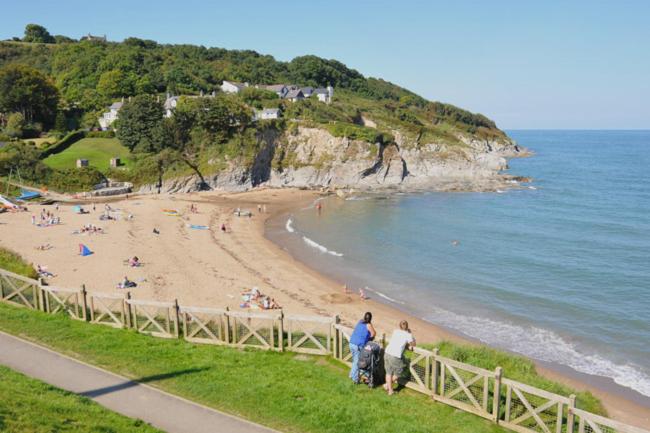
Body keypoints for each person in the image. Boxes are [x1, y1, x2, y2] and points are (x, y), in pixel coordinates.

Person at [383, 320, 416, 395]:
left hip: (387, 352)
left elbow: (399, 341)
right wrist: (410, 334)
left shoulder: (395, 331)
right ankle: (387, 386)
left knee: (388, 372)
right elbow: (413, 344)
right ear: (407, 327)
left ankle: (390, 390)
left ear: (399, 326)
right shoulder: (408, 335)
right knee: (400, 371)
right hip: (395, 355)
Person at [349, 312, 376, 384]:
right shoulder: (368, 325)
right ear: (370, 319)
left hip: (351, 342)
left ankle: (352, 375)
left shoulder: (360, 321)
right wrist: (370, 339)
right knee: (356, 362)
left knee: (355, 360)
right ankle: (355, 379)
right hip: (357, 345)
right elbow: (373, 333)